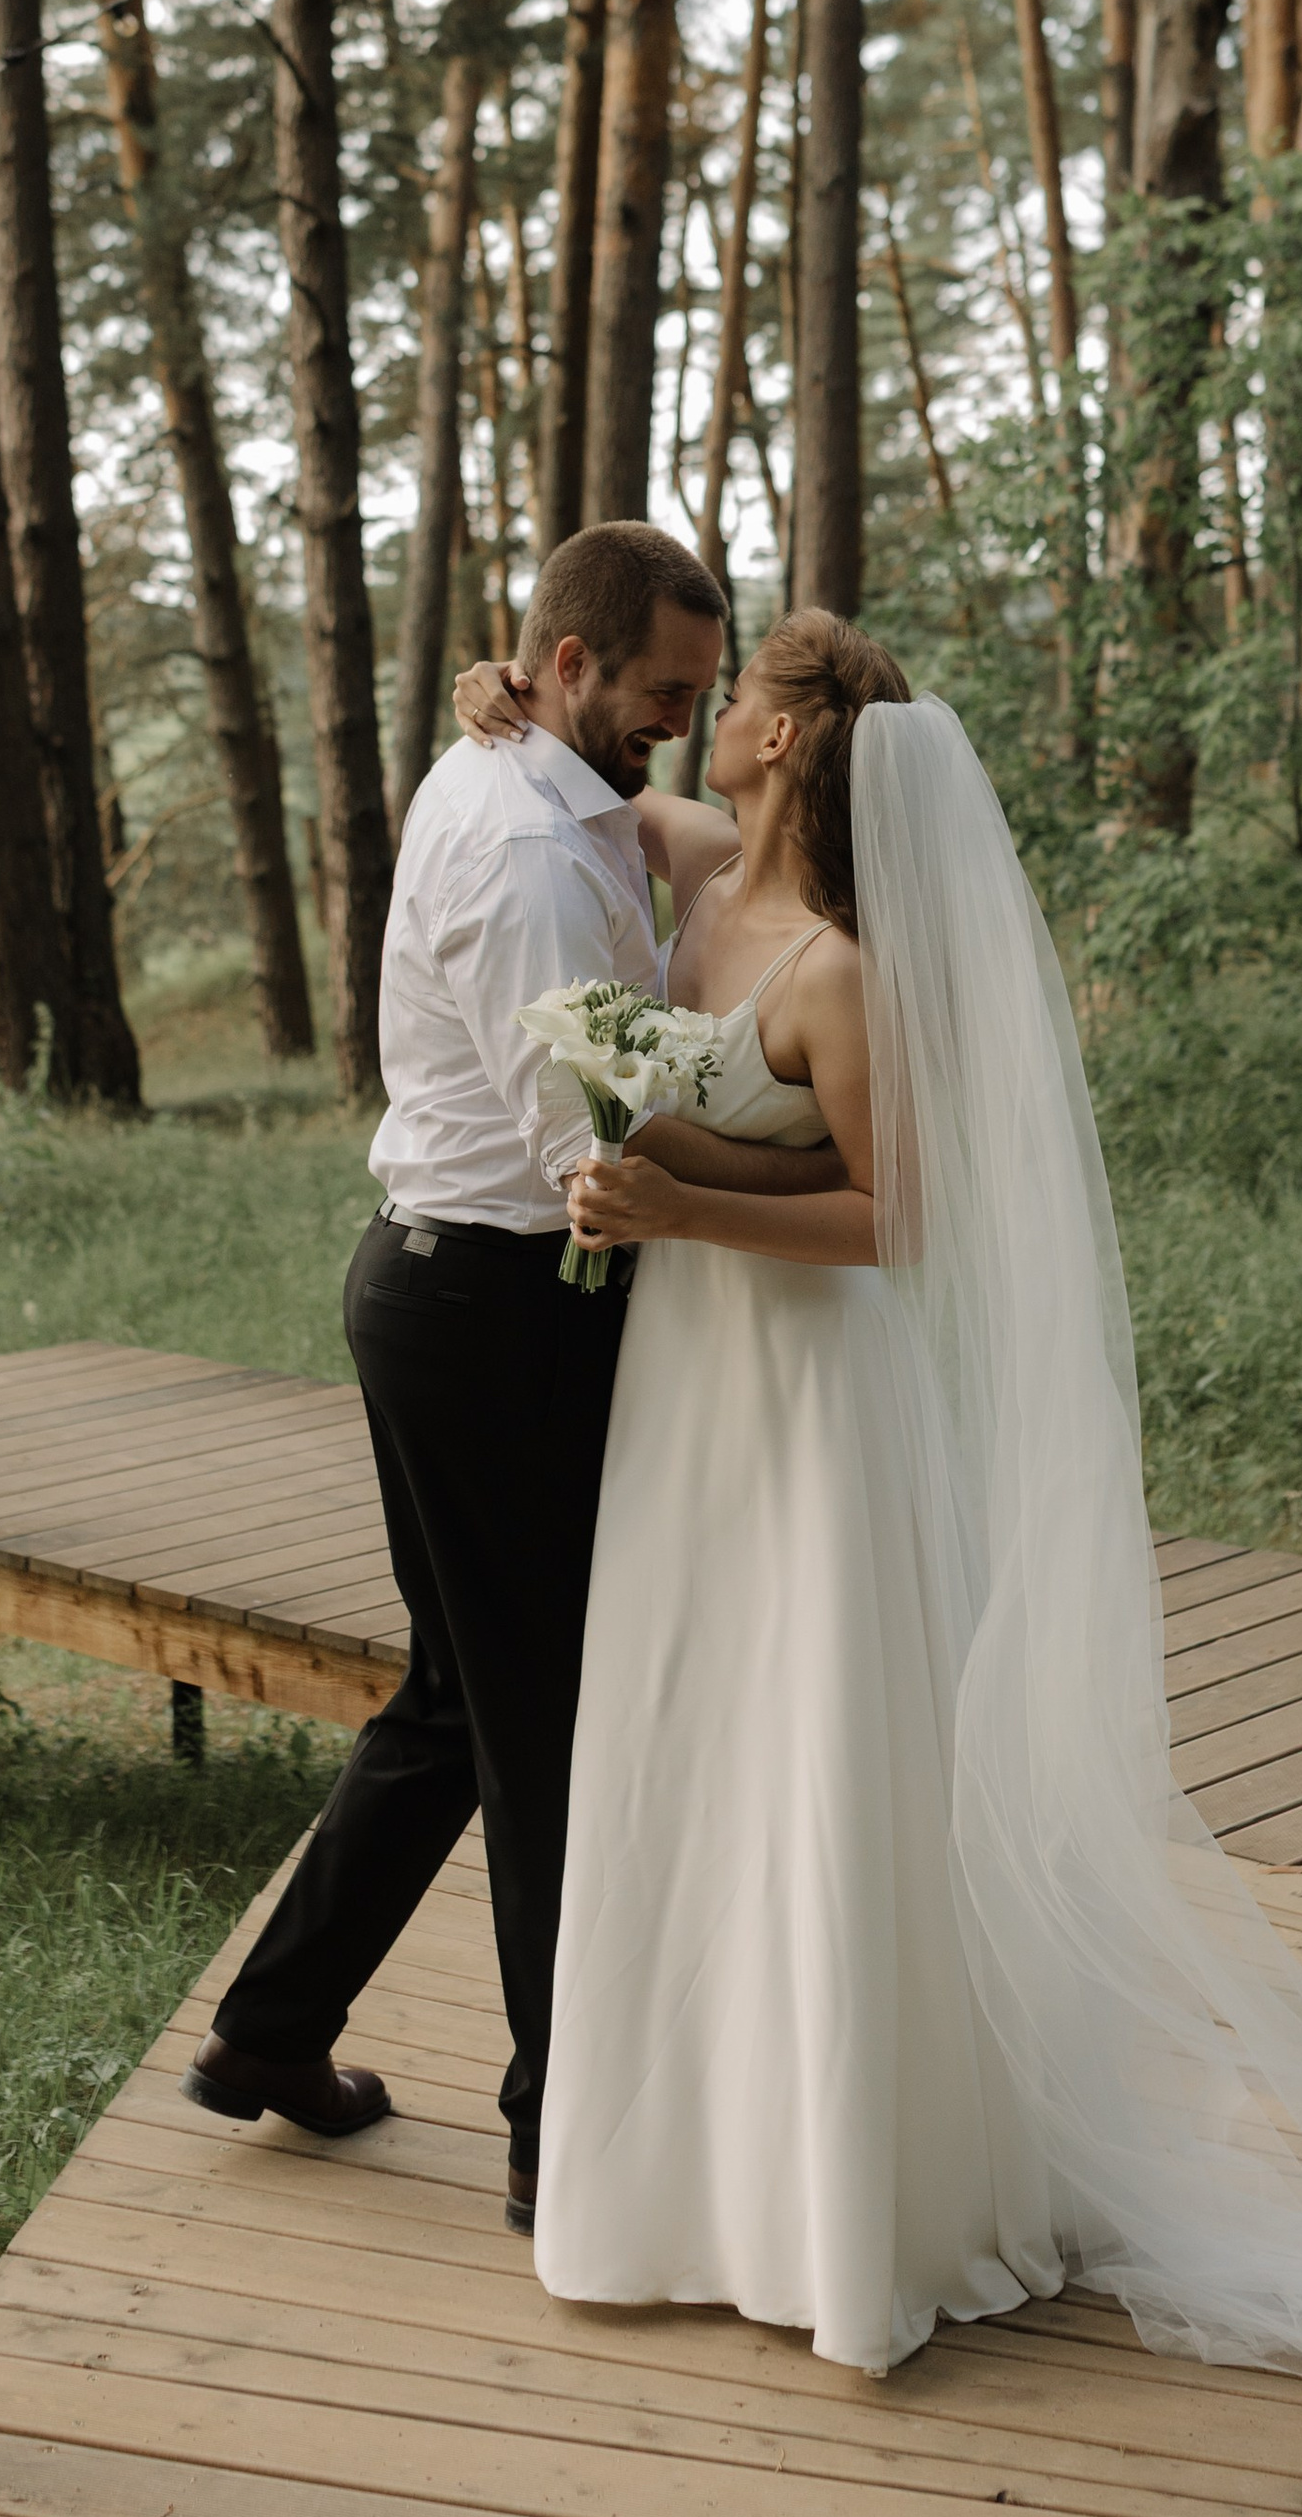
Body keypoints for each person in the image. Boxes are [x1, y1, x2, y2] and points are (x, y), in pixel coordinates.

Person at [452, 614, 1302, 2386]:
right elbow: (596, 791)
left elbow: (899, 1219)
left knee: (819, 1745)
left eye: (737, 701)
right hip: (689, 1393)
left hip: (810, 1387)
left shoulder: (839, 966)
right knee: (690, 1735)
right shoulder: (694, 866)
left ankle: (846, 2201)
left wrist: (684, 1209)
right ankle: (682, 2181)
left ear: (794, 748)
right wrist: (505, 707)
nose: (712, 712)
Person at [186, 521, 842, 2238]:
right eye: (658, 694)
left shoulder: (530, 780)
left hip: (438, 1291)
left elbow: (662, 829)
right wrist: (814, 1158)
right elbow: (593, 1149)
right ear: (568, 669)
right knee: (548, 1729)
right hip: (498, 1307)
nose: (678, 726)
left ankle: (267, 2032)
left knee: (453, 1705)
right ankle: (561, 2140)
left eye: (704, 697)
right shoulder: (535, 845)